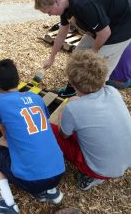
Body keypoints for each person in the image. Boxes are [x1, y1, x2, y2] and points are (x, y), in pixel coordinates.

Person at [0, 59, 65, 214]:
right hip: (58, 172)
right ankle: (50, 192)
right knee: (35, 143)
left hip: (32, 180)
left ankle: (7, 203)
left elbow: (2, 128)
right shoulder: (36, 98)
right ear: (18, 81)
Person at [52, 50, 131, 191]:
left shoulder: (73, 109)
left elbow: (63, 135)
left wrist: (62, 113)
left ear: (72, 82)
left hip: (100, 170)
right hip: (125, 159)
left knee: (50, 130)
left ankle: (90, 176)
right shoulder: (112, 91)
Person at [34, 0, 131, 97]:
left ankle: (94, 103)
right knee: (77, 57)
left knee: (97, 70)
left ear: (56, 2)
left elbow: (104, 33)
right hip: (104, 23)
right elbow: (62, 33)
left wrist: (91, 54)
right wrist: (52, 57)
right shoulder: (65, 4)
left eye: (49, 12)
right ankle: (71, 90)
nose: (49, 15)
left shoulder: (82, 4)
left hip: (122, 27)